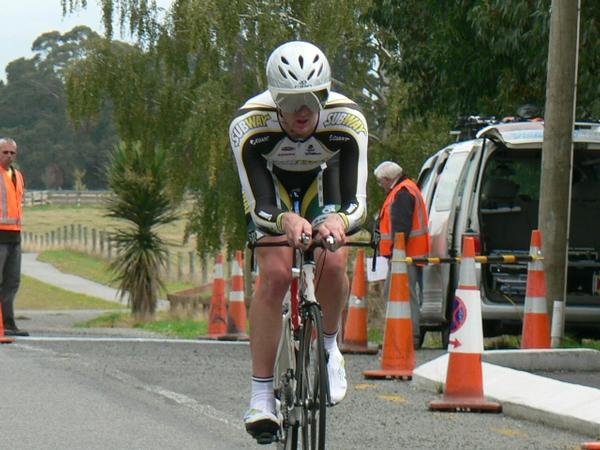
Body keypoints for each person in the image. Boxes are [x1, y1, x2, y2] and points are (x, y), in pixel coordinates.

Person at [229, 41, 368, 441]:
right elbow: (258, 206)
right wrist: (284, 220)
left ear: (326, 94)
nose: (303, 110)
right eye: (290, 102)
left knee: (334, 258)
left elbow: (358, 204)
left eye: (312, 98)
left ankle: (328, 349)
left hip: (327, 182)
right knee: (274, 273)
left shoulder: (347, 118)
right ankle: (261, 397)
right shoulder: (249, 123)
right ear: (275, 100)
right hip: (271, 192)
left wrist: (339, 222)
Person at [374, 161, 429, 348]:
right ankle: (404, 336)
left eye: (381, 182)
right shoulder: (406, 190)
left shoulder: (402, 194)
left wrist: (395, 252)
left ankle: (408, 337)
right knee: (402, 294)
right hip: (406, 254)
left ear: (387, 179)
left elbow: (400, 229)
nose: (380, 185)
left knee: (402, 295)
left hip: (404, 256)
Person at [0, 137, 28, 337]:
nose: (9, 155)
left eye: (12, 152)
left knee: (12, 281)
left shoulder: (17, 175)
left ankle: (8, 323)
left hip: (14, 235)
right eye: (5, 152)